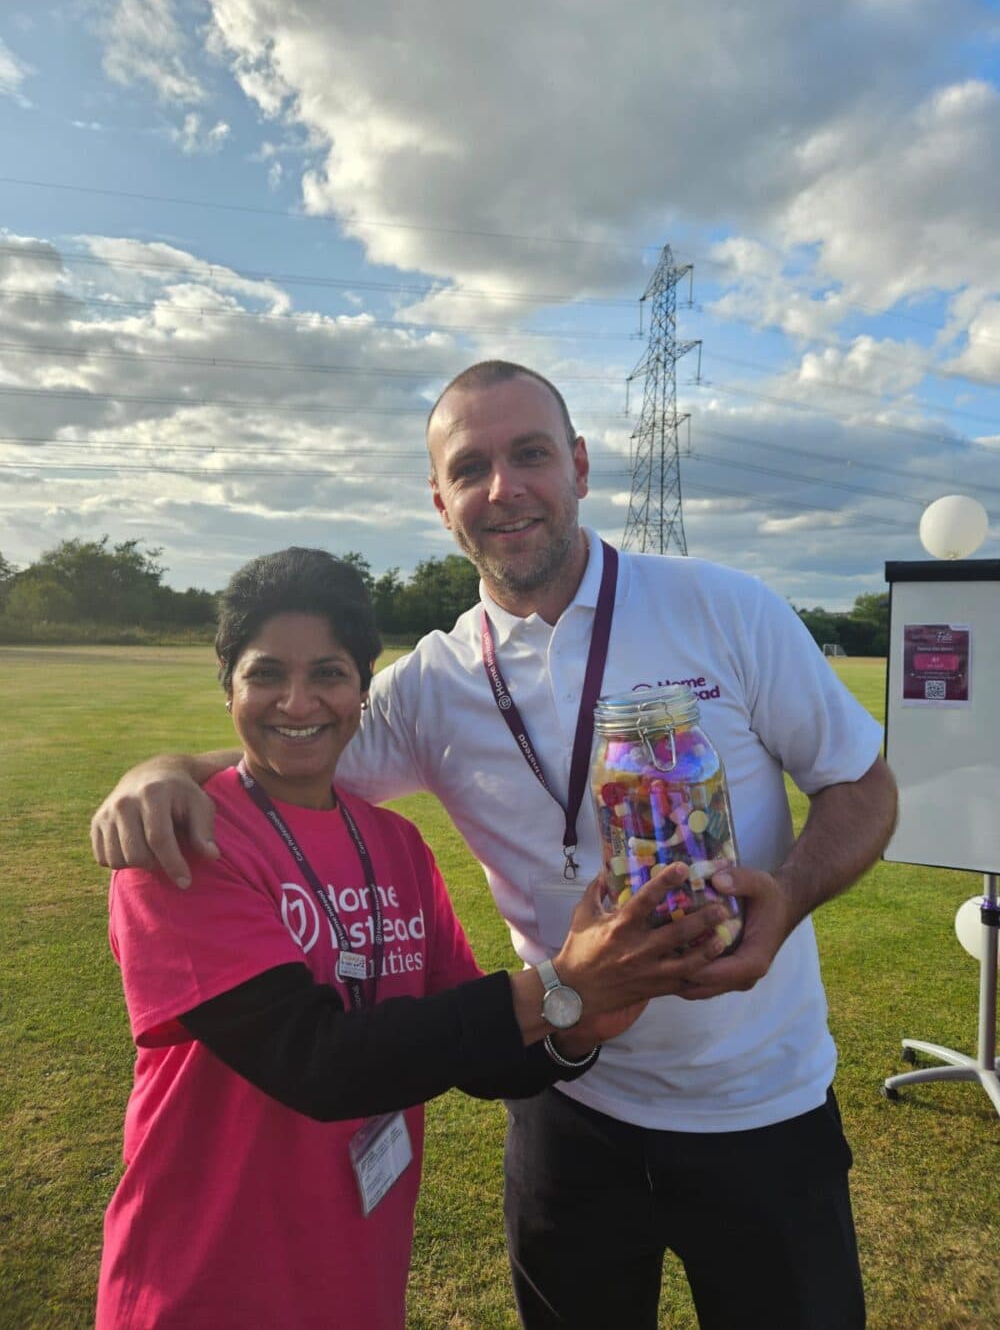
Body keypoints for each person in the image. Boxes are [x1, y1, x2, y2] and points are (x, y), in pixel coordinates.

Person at [92, 362, 898, 1330]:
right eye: (469, 467)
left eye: (529, 454)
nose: (502, 488)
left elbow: (861, 783)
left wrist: (789, 895)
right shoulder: (433, 680)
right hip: (565, 1099)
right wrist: (171, 764)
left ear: (581, 466)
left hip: (758, 1105)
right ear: (441, 503)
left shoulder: (724, 608)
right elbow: (298, 741)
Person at [94, 545, 732, 1330]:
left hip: (357, 1283)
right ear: (227, 684)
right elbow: (315, 1061)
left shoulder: (395, 847)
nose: (298, 701)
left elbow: (473, 1038)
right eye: (265, 673)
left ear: (364, 689)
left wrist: (583, 1024)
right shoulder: (185, 844)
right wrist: (560, 985)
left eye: (328, 672)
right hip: (204, 1286)